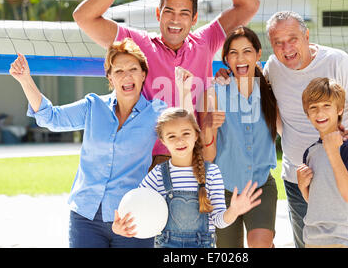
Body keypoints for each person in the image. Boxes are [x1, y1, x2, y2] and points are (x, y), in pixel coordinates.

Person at [73, 0, 260, 169]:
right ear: (158, 14)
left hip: (196, 159)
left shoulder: (205, 42)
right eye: (169, 12)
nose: (175, 20)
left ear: (194, 19)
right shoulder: (137, 45)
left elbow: (249, 5)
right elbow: (83, 16)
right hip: (148, 161)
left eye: (184, 14)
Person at [216, 11, 348, 248]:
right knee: (307, 244)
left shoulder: (338, 61)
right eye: (278, 43)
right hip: (296, 177)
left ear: (307, 35)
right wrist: (226, 75)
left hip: (338, 177)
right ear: (271, 47)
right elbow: (252, 85)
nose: (286, 47)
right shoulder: (273, 67)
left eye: (292, 38)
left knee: (347, 242)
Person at [9, 38, 167, 248]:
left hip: (132, 216)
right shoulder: (93, 106)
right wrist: (25, 80)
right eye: (118, 71)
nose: (127, 76)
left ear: (143, 74)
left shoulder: (157, 112)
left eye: (133, 69)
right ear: (110, 77)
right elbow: (51, 118)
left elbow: (186, 134)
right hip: (85, 217)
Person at [112, 106, 263, 248]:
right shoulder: (158, 174)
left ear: (196, 135)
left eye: (186, 133)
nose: (180, 140)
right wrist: (119, 227)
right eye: (171, 136)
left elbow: (219, 221)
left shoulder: (211, 172)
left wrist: (233, 211)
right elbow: (137, 207)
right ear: (163, 141)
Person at [200, 26, 281, 248]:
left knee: (260, 244)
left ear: (258, 54)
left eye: (247, 51)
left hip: (260, 186)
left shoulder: (272, 91)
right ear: (226, 58)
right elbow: (208, 155)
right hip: (224, 191)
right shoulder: (214, 93)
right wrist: (208, 129)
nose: (240, 58)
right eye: (233, 53)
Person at [297, 77, 348, 248]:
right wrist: (302, 186)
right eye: (313, 108)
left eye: (326, 106)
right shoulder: (310, 152)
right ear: (307, 114)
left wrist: (333, 152)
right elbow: (316, 200)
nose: (319, 113)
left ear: (339, 109)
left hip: (344, 240)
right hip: (313, 240)